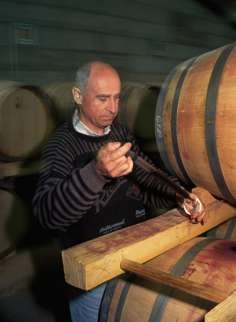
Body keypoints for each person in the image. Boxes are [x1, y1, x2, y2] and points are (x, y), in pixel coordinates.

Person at [33, 61, 205, 322]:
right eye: (103, 98)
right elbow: (48, 216)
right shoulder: (60, 146)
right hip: (94, 275)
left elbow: (147, 179)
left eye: (116, 98)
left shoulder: (122, 132)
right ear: (77, 96)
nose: (113, 108)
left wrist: (179, 196)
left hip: (139, 254)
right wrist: (96, 173)